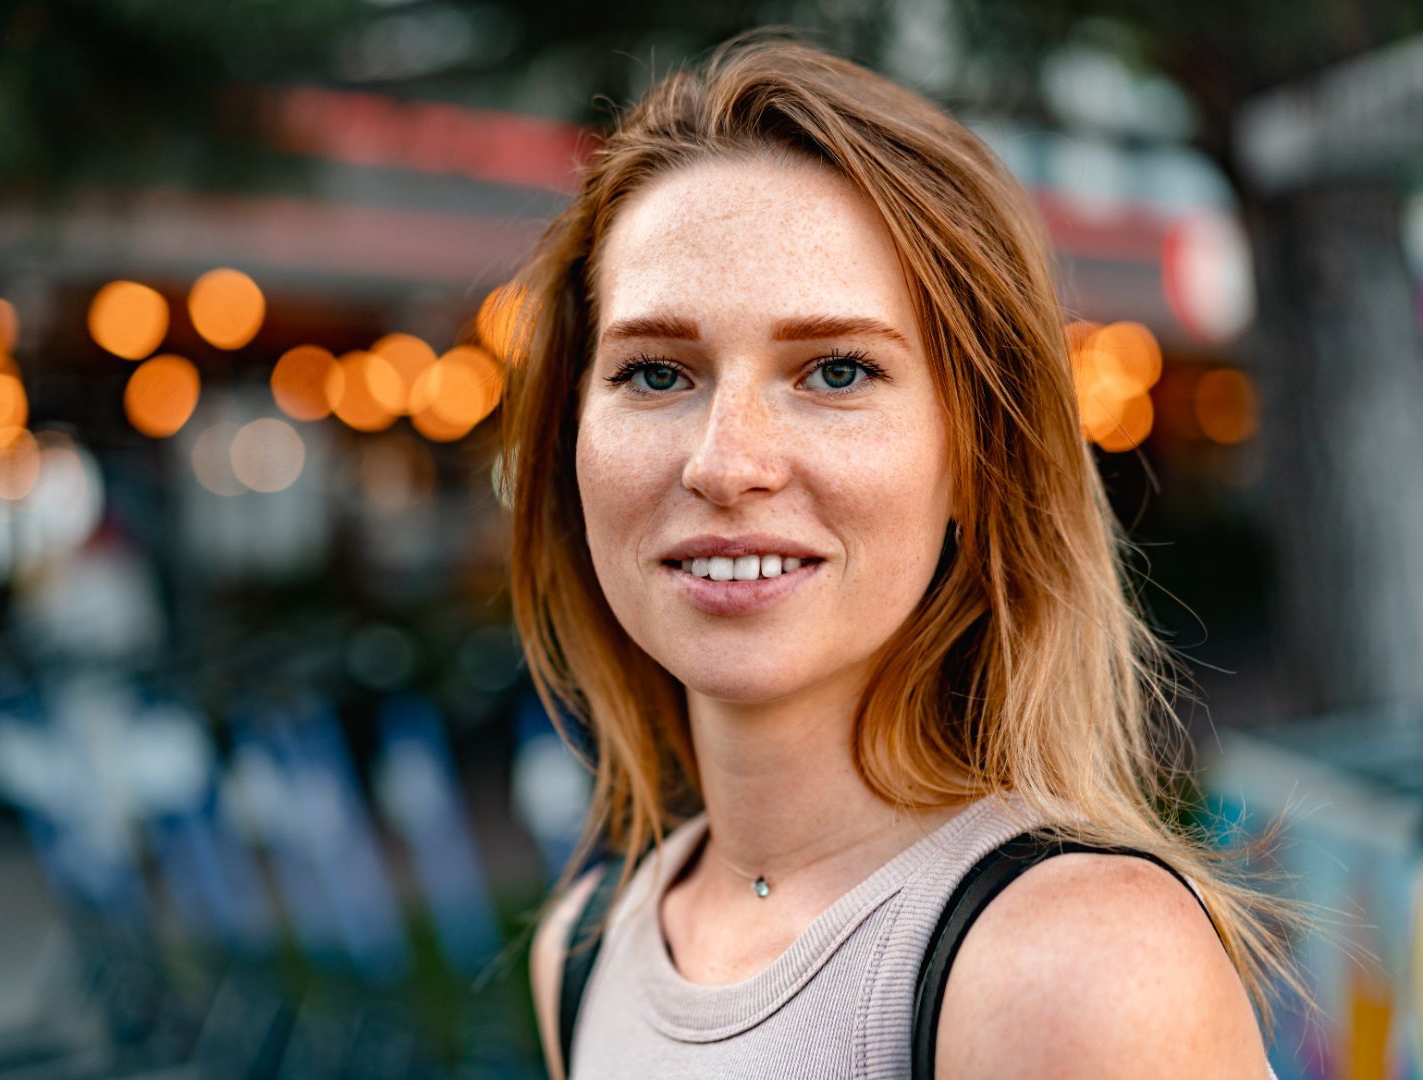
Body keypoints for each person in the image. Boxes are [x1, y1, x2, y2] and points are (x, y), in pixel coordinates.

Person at [500, 32, 1299, 1080]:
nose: (726, 463)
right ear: (568, 438)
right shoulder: (587, 949)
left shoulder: (1081, 970)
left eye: (834, 371)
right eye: (655, 374)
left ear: (976, 455)